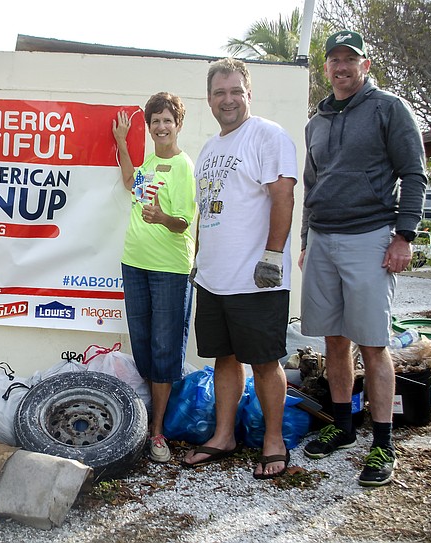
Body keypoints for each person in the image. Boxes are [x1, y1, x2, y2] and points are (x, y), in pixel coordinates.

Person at [299, 30, 427, 487]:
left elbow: (414, 173)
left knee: (373, 344)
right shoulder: (316, 122)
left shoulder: (389, 109)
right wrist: (305, 241)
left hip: (370, 237)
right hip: (324, 240)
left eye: (349, 59)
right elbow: (312, 189)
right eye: (333, 60)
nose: (341, 67)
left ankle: (383, 445)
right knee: (334, 340)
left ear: (365, 65)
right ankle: (343, 425)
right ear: (326, 67)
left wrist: (404, 236)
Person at [184, 58, 297, 480]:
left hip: (256, 278)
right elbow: (207, 212)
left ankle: (273, 440)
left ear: (249, 95)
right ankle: (224, 436)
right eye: (219, 93)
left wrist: (272, 255)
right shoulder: (211, 149)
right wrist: (199, 260)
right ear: (209, 99)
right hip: (214, 277)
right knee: (223, 360)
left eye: (235, 92)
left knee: (266, 362)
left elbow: (283, 197)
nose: (227, 100)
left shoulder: (267, 136)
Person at [112, 92, 197, 463]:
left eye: (167, 120)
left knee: (164, 348)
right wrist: (120, 142)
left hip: (169, 269)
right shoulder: (149, 162)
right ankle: (150, 417)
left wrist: (163, 218)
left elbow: (184, 223)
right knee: (144, 343)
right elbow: (131, 181)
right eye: (155, 122)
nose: (161, 127)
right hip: (135, 263)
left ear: (178, 124)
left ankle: (156, 431)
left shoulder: (184, 167)